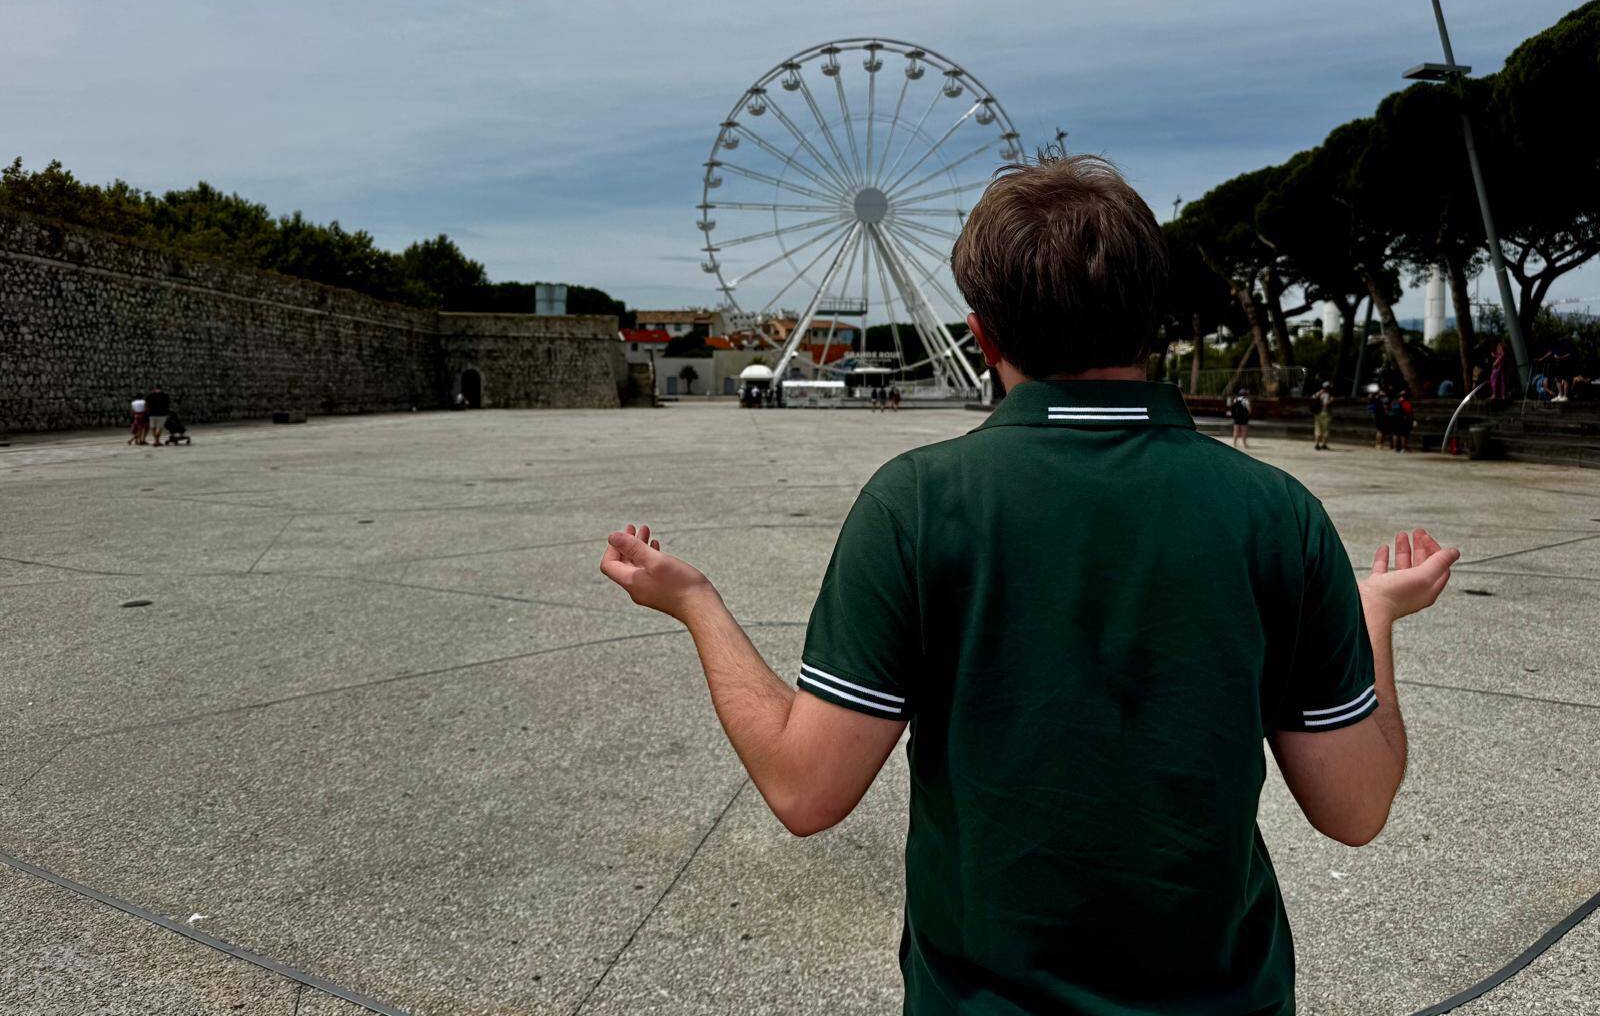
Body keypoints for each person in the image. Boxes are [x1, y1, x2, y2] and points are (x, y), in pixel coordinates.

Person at [600, 154, 1457, 1016]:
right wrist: (1373, 613)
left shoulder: (917, 504)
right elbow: (1356, 807)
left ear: (983, 333)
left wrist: (696, 605)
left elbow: (804, 789)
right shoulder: (1278, 513)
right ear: (1151, 318)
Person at [1389, 388, 1415, 454]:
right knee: (1403, 435)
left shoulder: (1395, 401)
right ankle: (1403, 448)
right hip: (1403, 420)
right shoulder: (1406, 403)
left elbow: (1390, 409)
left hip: (1394, 420)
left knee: (1395, 434)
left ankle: (1395, 448)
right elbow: (1409, 412)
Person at [1311, 380, 1334, 450]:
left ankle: (1317, 444)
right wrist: (1330, 401)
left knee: (1318, 429)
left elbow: (1313, 397)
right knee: (1325, 430)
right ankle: (1324, 444)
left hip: (1318, 413)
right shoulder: (1329, 394)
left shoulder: (1319, 392)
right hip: (1326, 413)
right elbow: (1327, 403)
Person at [1368, 385, 1390, 450]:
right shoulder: (1377, 398)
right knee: (1380, 430)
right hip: (1379, 415)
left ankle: (1381, 444)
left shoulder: (1383, 398)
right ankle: (1378, 444)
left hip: (1383, 415)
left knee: (1383, 431)